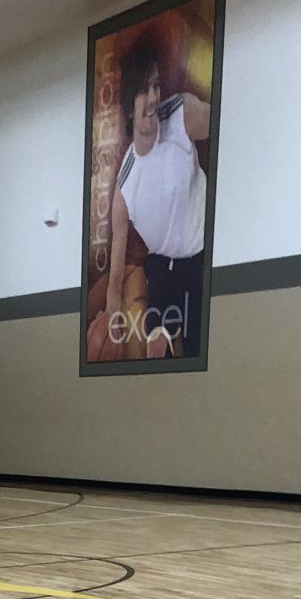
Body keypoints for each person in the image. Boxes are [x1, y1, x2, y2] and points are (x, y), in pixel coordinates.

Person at [102, 36, 212, 359]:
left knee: (196, 350)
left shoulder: (182, 115)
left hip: (200, 257)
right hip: (163, 268)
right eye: (142, 91)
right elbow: (116, 277)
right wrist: (111, 318)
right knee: (156, 347)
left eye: (155, 86)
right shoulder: (124, 187)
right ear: (128, 106)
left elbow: (229, 125)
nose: (152, 98)